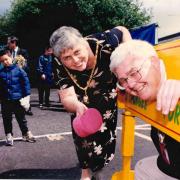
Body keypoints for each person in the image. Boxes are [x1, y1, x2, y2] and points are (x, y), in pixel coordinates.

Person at [49, 26, 132, 180]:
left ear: (83, 42)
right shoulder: (57, 61)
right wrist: (77, 106)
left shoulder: (105, 42)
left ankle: (99, 165)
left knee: (106, 134)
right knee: (82, 135)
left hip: (107, 92)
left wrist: (129, 53)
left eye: (77, 52)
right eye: (67, 58)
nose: (75, 60)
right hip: (81, 99)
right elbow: (67, 97)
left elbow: (122, 30)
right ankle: (85, 170)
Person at [110, 39, 180, 179]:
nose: (130, 84)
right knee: (142, 167)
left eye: (133, 72)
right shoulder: (132, 89)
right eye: (123, 80)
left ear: (154, 62)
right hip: (168, 166)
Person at [0, 48, 36, 146]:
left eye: (6, 59)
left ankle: (25, 133)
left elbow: (26, 83)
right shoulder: (1, 72)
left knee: (21, 118)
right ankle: (9, 135)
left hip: (18, 100)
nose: (5, 62)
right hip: (5, 101)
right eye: (2, 61)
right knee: (7, 119)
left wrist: (26, 97)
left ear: (11, 57)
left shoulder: (18, 70)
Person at [7, 36, 33, 116]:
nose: (7, 44)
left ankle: (27, 108)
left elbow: (26, 63)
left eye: (9, 43)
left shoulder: (23, 52)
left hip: (21, 74)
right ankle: (12, 109)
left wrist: (21, 66)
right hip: (11, 75)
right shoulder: (8, 52)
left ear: (14, 42)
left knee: (24, 90)